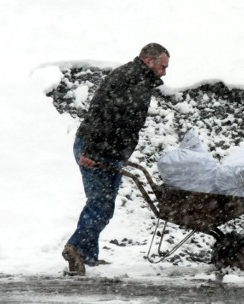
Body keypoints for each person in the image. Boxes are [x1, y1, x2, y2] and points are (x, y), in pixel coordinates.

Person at [62, 43, 170, 275]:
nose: (164, 72)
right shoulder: (130, 78)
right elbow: (102, 114)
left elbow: (121, 119)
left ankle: (88, 255)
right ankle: (76, 248)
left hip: (108, 149)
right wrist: (90, 151)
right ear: (149, 61)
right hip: (96, 148)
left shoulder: (137, 78)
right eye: (162, 66)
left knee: (103, 204)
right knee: (100, 203)